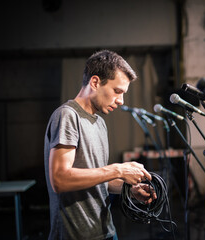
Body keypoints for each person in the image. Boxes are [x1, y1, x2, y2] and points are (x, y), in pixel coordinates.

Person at [44, 49, 156, 240]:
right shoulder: (67, 116)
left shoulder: (100, 123)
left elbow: (98, 179)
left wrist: (129, 189)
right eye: (117, 91)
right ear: (95, 82)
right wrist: (118, 169)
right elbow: (60, 179)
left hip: (106, 231)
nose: (121, 101)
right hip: (76, 236)